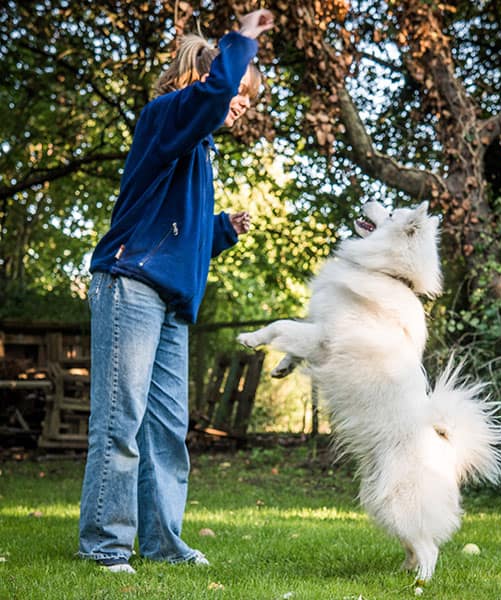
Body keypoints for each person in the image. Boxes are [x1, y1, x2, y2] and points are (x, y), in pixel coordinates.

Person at [78, 9, 275, 574]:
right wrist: (240, 42)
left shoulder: (196, 149)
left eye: (249, 98)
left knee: (166, 429)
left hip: (168, 299)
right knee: (121, 420)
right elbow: (209, 100)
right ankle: (105, 544)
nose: (242, 103)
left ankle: (162, 542)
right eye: (240, 91)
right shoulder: (165, 117)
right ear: (206, 79)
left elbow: (178, 233)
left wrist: (219, 230)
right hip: (130, 284)